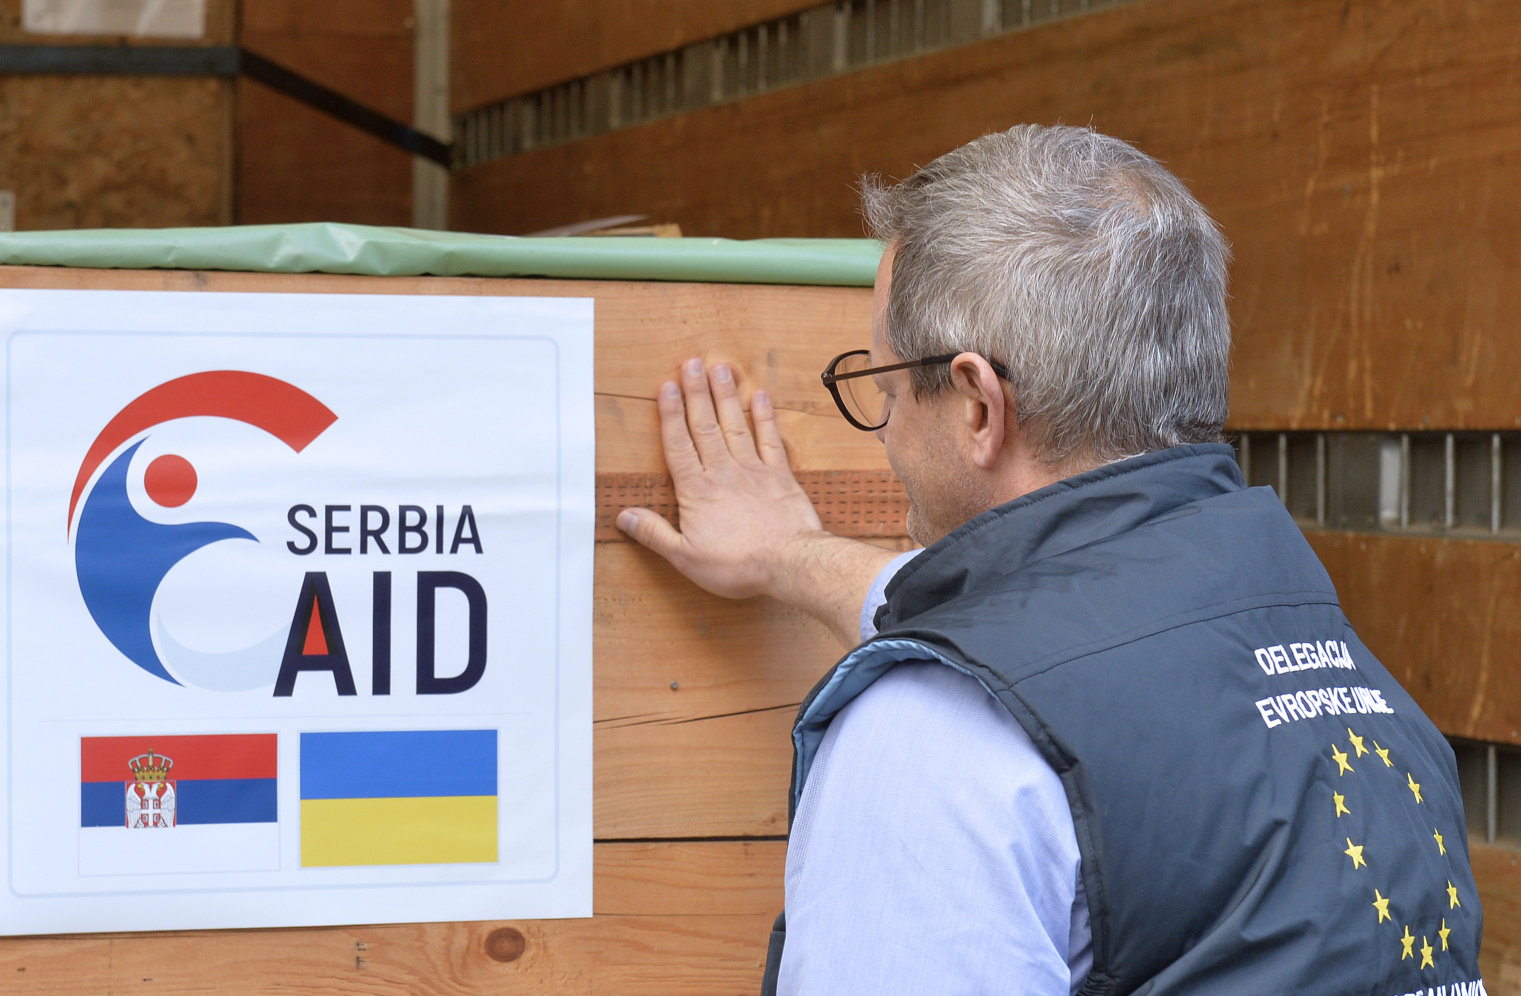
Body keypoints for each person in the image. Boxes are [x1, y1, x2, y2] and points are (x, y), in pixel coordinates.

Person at [617, 125, 1483, 995]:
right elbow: (1060, 644)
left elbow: (1025, 675)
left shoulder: (930, 746)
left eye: (883, 392)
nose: (884, 436)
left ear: (978, 407)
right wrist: (787, 555)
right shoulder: (1345, 676)